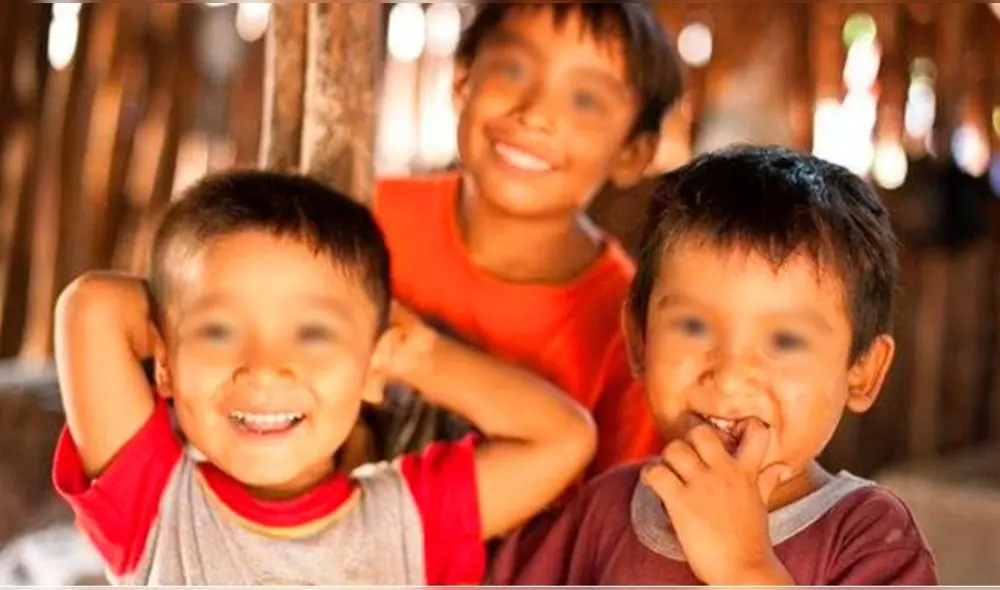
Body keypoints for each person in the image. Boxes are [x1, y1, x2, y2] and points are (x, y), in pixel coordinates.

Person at [50, 171, 597, 585]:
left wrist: (415, 355)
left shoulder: (410, 522)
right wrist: (186, 305)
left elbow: (563, 438)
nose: (264, 366)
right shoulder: (156, 507)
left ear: (373, 365)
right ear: (164, 363)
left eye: (311, 334)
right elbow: (92, 308)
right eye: (220, 331)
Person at [490, 145, 939, 585]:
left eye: (784, 340)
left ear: (862, 371)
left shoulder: (869, 538)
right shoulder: (603, 510)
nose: (727, 377)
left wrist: (744, 570)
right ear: (640, 341)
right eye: (693, 326)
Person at [369, 1, 683, 476]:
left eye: (585, 101)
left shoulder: (628, 332)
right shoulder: (369, 216)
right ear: (462, 82)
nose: (536, 113)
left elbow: (616, 523)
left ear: (632, 153)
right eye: (513, 70)